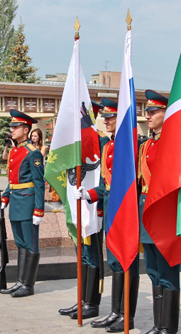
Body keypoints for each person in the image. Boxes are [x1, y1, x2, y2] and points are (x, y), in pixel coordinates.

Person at [75, 98, 140, 333]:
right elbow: (106, 184)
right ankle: (115, 312)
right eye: (105, 117)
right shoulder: (108, 147)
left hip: (126, 210)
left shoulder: (130, 146)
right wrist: (89, 194)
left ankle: (127, 316)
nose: (106, 120)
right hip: (112, 209)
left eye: (112, 117)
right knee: (114, 261)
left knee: (126, 262)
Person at [131, 90, 181, 334]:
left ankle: (169, 330)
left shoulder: (174, 143)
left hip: (164, 215)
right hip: (146, 213)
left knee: (167, 272)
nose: (148, 116)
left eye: (154, 112)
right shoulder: (147, 145)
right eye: (147, 112)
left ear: (166, 114)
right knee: (153, 272)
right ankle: (158, 325)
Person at [59, 100, 108, 320]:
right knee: (82, 254)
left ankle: (92, 303)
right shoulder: (74, 143)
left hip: (94, 206)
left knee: (93, 255)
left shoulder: (103, 141)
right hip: (79, 202)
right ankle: (81, 300)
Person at [0, 110, 45, 298]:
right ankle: (20, 281)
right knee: (20, 243)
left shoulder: (32, 152)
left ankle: (28, 284)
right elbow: (13, 178)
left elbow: (39, 182)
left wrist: (39, 209)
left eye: (15, 127)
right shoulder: (14, 150)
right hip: (16, 201)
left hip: (27, 202)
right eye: (11, 126)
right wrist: (6, 196)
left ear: (26, 130)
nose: (12, 130)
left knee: (30, 243)